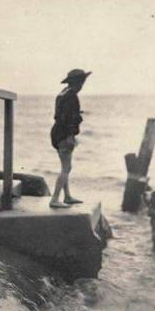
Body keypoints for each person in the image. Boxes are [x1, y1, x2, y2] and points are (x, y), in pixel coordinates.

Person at [49, 69, 91, 208]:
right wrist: (71, 135)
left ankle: (67, 196)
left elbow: (59, 115)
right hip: (64, 133)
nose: (83, 85)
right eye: (82, 82)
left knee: (66, 167)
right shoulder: (72, 96)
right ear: (78, 82)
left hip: (56, 132)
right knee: (66, 168)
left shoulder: (63, 93)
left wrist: (75, 114)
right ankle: (55, 199)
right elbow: (68, 119)